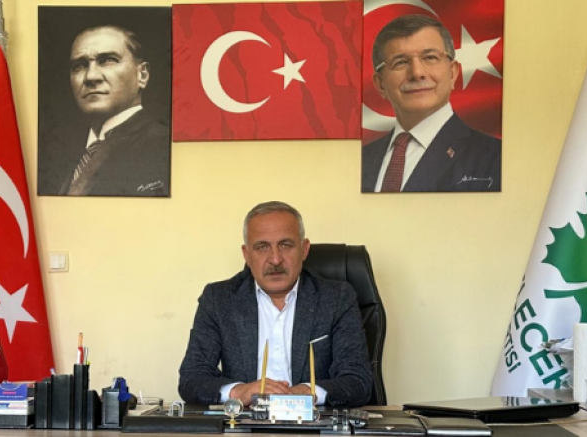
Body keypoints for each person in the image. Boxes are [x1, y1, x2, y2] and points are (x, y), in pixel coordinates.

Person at [178, 201, 373, 407]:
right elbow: (192, 379)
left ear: (304, 249)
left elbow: (358, 380)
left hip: (313, 421)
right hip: (245, 420)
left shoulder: (337, 298)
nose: (275, 259)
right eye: (262, 247)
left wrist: (309, 392)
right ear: (246, 254)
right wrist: (239, 391)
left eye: (285, 245)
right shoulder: (218, 300)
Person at [362, 15, 501, 193]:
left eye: (430, 58)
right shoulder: (360, 159)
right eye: (401, 62)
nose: (417, 73)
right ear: (380, 84)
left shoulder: (495, 157)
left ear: (452, 73)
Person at [57, 25, 170, 196]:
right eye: (79, 66)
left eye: (108, 60)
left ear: (142, 75)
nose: (91, 76)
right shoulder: (58, 157)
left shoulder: (164, 147)